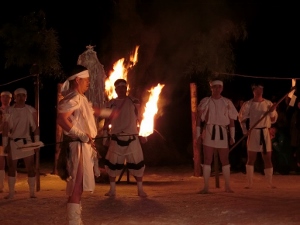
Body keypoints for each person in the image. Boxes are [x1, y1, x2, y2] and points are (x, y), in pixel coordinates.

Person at [57, 65, 111, 224]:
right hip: (77, 147)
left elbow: (92, 109)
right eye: (86, 79)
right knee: (76, 187)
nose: (89, 82)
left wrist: (110, 113)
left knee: (78, 188)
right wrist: (82, 135)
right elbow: (61, 119)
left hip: (83, 146)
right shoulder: (73, 98)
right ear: (78, 80)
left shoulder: (81, 98)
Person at [102, 78, 147, 197]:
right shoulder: (110, 103)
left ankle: (140, 190)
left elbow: (141, 118)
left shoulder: (134, 101)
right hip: (116, 137)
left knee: (137, 162)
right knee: (112, 163)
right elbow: (106, 122)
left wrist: (143, 134)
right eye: (119, 87)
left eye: (124, 87)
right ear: (115, 89)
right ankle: (112, 190)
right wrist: (105, 137)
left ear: (126, 88)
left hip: (132, 136)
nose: (121, 89)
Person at [196, 79, 238, 194]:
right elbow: (199, 119)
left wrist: (232, 136)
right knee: (207, 159)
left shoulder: (227, 102)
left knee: (224, 159)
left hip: (222, 132)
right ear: (211, 88)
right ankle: (205, 187)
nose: (217, 89)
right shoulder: (205, 101)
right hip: (209, 130)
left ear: (222, 88)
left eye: (219, 87)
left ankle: (227, 186)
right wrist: (198, 135)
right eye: (215, 87)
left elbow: (232, 120)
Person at [2, 88, 40, 199]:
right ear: (15, 97)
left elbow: (35, 128)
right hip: (13, 142)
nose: (21, 97)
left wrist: (36, 143)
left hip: (26, 142)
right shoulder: (9, 110)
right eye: (18, 95)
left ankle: (32, 192)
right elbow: (5, 128)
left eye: (23, 95)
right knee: (12, 168)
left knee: (31, 168)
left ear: (26, 97)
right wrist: (5, 145)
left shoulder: (30, 110)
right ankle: (11, 193)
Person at [238, 83, 277, 189]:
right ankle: (249, 183)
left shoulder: (268, 103)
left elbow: (273, 120)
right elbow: (241, 118)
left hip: (265, 132)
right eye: (257, 89)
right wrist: (245, 130)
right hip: (254, 132)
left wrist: (272, 111)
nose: (259, 91)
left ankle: (270, 182)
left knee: (267, 158)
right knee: (251, 159)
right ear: (253, 90)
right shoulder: (248, 104)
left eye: (261, 89)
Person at [0, 91, 12, 193]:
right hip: (1, 137)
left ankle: (12, 187)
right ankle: (1, 186)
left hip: (11, 138)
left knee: (12, 162)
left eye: (7, 97)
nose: (5, 99)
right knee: (1, 161)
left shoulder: (14, 111)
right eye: (3, 97)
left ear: (10, 99)